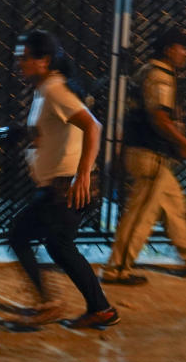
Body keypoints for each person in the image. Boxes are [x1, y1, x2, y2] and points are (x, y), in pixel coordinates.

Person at [8, 31, 120, 330]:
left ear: (43, 61)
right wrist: (21, 134)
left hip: (67, 187)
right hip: (58, 186)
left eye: (24, 58)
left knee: (21, 235)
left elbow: (92, 127)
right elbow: (53, 132)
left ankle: (52, 304)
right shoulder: (45, 90)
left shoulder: (55, 91)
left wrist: (83, 174)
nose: (19, 63)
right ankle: (100, 309)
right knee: (59, 245)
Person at [100, 26, 186, 284]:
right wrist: (183, 143)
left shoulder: (149, 71)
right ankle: (116, 269)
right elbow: (158, 116)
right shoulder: (160, 75)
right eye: (182, 48)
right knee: (140, 214)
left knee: (173, 205)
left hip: (144, 154)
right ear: (169, 49)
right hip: (150, 155)